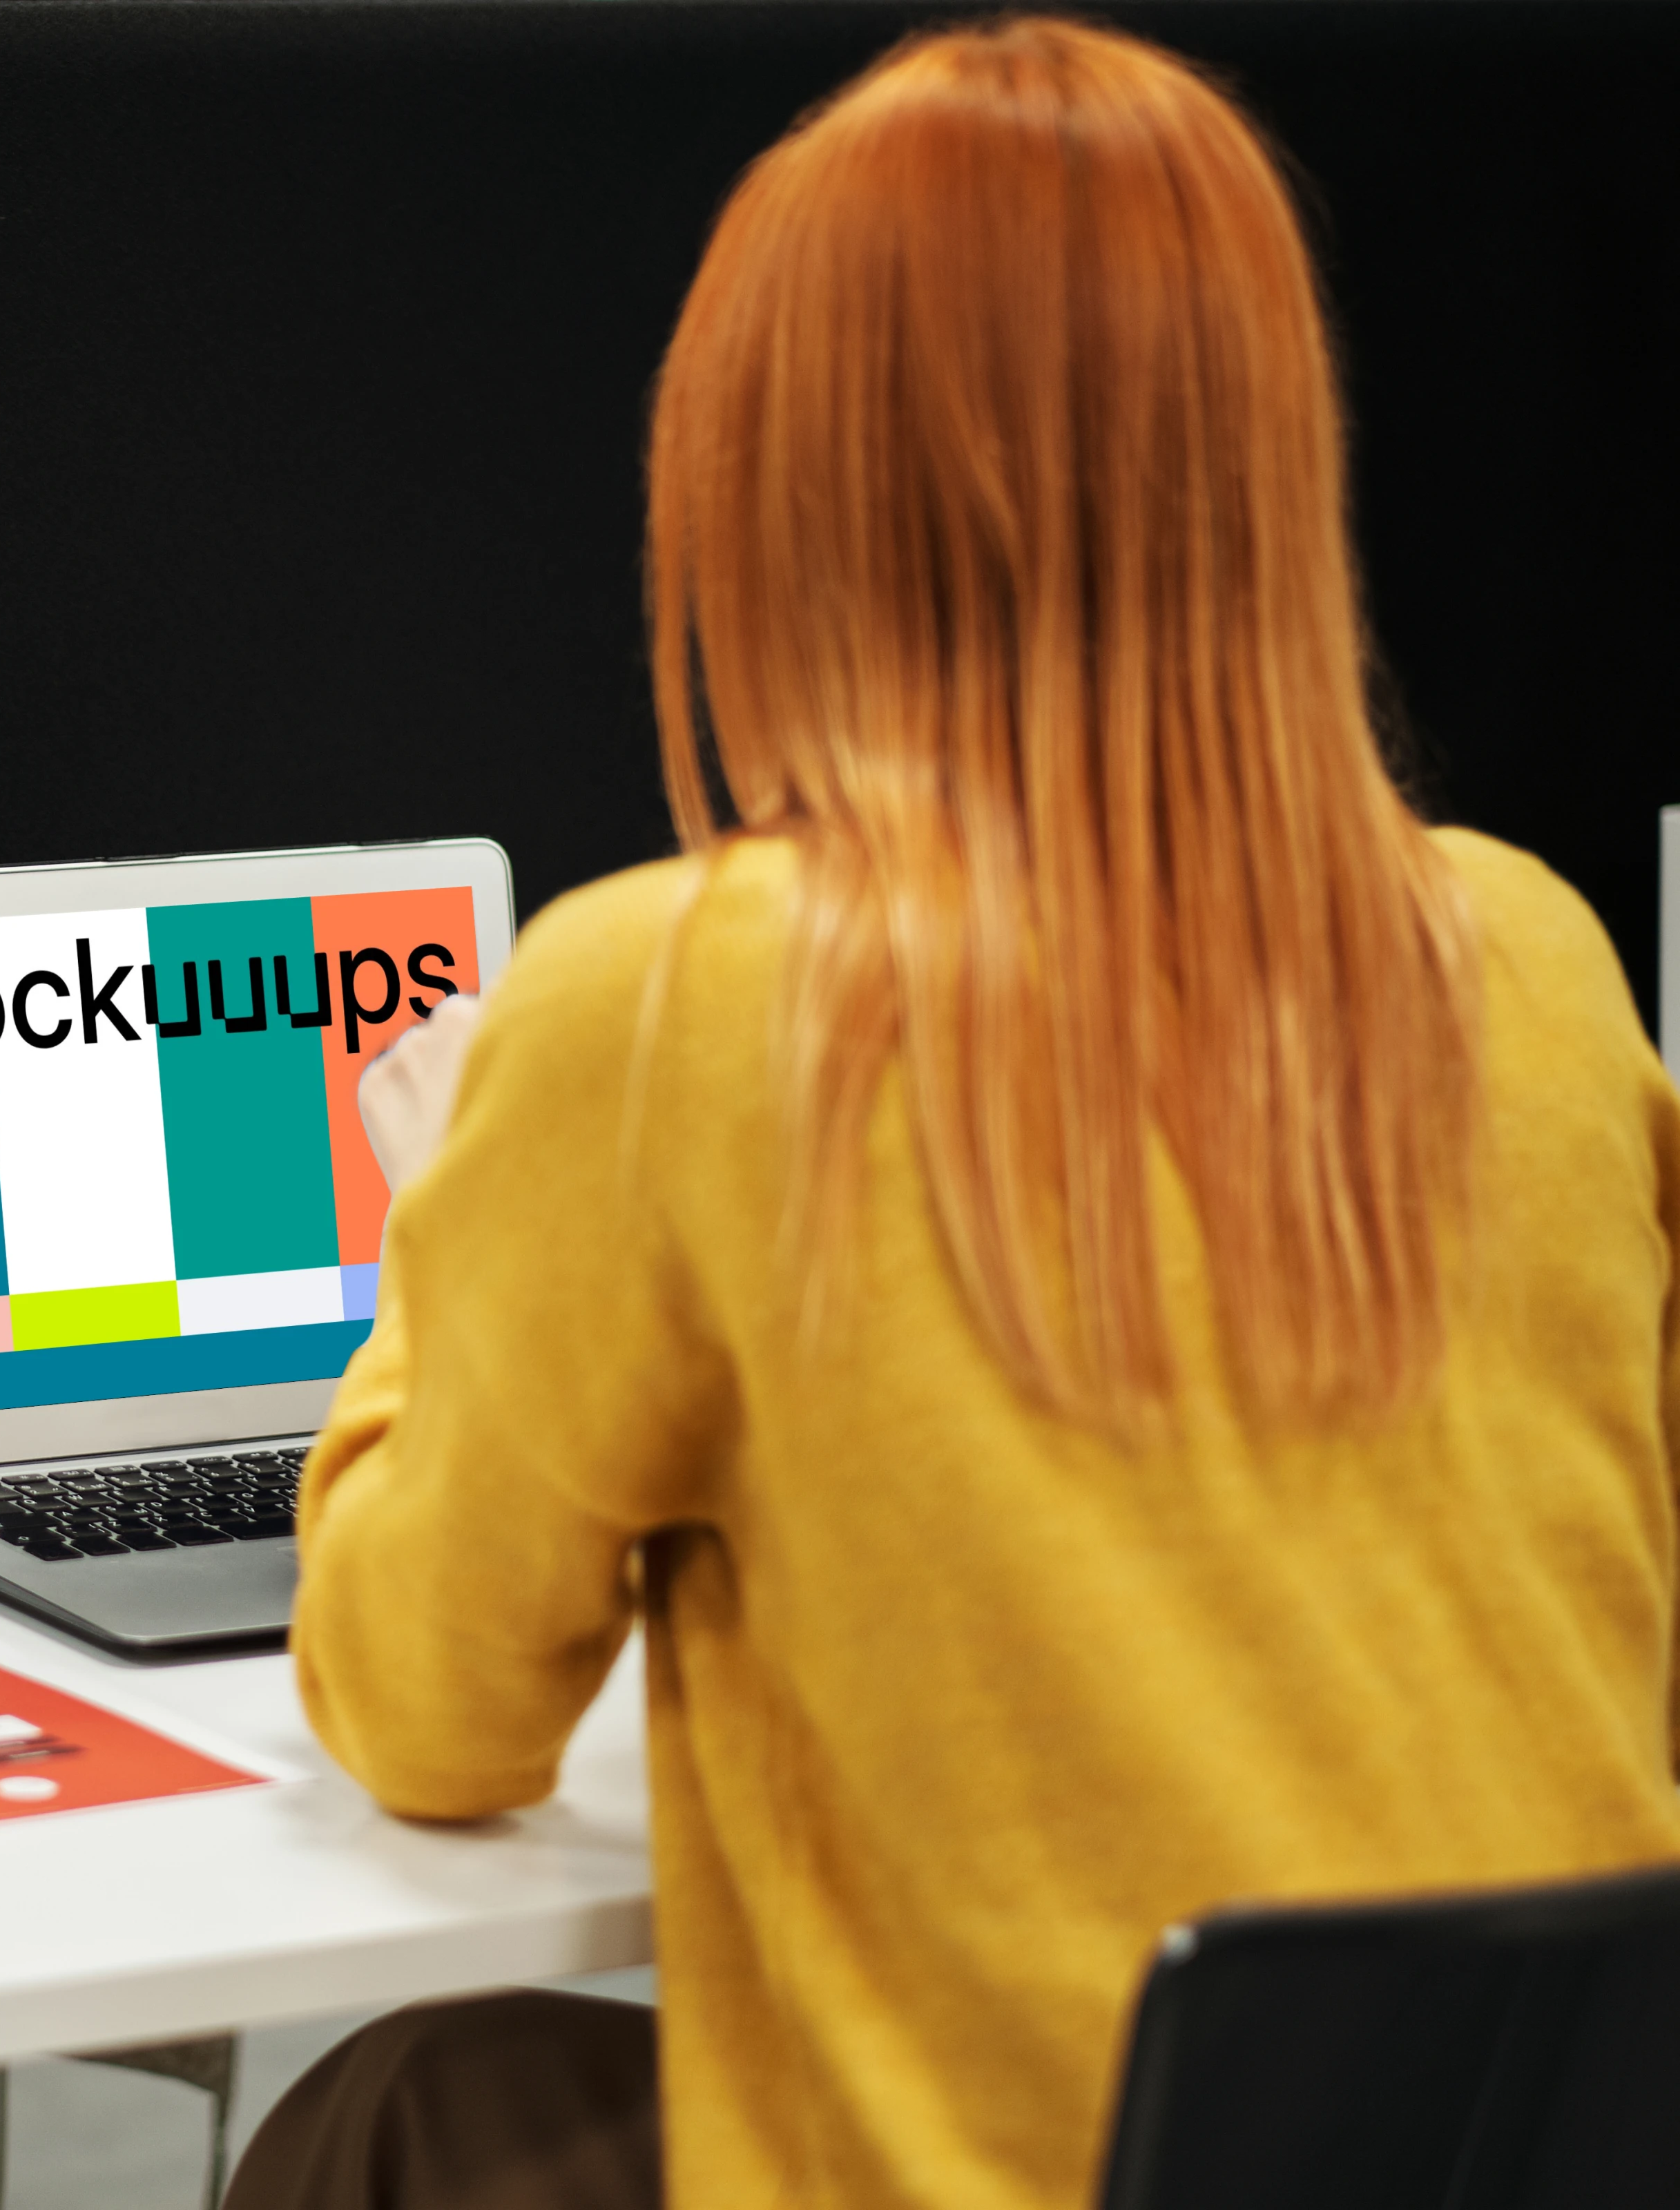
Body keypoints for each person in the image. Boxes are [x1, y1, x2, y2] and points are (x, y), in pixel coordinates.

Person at [226, 17, 1680, 2210]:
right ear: (1270, 457)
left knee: (389, 2113)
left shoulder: (672, 1005)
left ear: (787, 477)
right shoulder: (1543, 963)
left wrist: (451, 1233)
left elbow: (426, 1722)